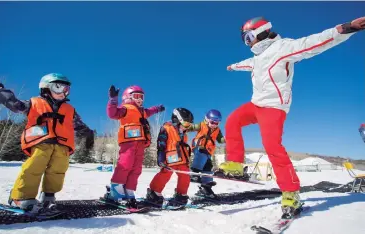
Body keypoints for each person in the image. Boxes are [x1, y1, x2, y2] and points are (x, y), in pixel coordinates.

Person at [220, 16, 365, 217]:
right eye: (245, 39)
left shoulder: (284, 47)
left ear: (262, 32)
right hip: (255, 105)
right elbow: (247, 64)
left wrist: (345, 29)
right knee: (233, 120)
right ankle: (235, 164)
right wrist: (232, 66)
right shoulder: (257, 59)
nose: (248, 42)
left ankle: (291, 193)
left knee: (272, 147)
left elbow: (314, 42)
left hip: (273, 107)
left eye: (249, 37)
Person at [0, 73, 94, 212]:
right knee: (34, 167)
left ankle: (48, 196)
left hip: (62, 145)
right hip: (41, 141)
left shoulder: (69, 110)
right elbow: (15, 105)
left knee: (58, 170)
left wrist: (88, 134)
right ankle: (20, 197)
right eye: (59, 87)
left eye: (67, 88)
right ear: (46, 88)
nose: (64, 92)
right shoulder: (34, 103)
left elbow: (79, 125)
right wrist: (1, 91)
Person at [104, 85, 165, 208]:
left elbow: (150, 111)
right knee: (125, 165)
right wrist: (113, 100)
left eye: (142, 97)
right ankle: (116, 192)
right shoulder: (125, 109)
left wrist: (158, 108)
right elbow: (112, 113)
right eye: (137, 96)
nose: (140, 100)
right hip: (128, 142)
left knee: (136, 169)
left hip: (140, 144)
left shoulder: (142, 111)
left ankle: (129, 191)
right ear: (128, 97)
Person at [145, 108, 194, 207]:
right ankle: (154, 193)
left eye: (189, 125)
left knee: (185, 176)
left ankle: (181, 194)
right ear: (177, 120)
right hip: (170, 158)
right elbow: (161, 143)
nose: (187, 127)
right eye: (186, 124)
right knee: (165, 174)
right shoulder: (166, 128)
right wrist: (160, 156)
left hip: (182, 159)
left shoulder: (183, 132)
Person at [188, 109, 225, 199]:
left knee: (208, 166)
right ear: (206, 120)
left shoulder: (217, 130)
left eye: (217, 123)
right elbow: (191, 127)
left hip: (208, 150)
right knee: (201, 155)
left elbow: (220, 140)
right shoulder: (201, 125)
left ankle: (206, 186)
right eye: (212, 122)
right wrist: (184, 127)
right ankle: (194, 173)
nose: (214, 125)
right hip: (199, 147)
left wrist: (226, 139)